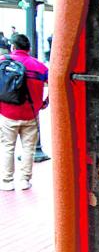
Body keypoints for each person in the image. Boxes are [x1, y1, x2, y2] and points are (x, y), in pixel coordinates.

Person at [0, 34, 49, 191]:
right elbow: (55, 84)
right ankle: (24, 181)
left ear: (13, 47)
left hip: (7, 113)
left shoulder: (3, 61)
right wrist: (44, 102)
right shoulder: (39, 66)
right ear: (29, 49)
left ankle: (7, 181)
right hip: (31, 114)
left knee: (8, 147)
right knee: (28, 148)